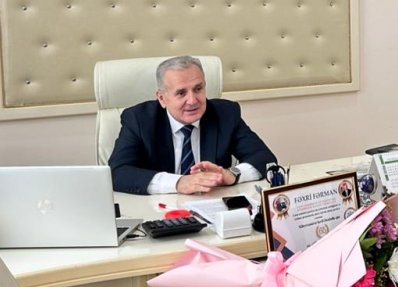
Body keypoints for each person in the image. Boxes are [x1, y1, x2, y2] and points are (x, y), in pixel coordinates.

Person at [109, 56, 276, 195]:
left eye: (198, 89)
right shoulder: (139, 119)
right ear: (162, 98)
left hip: (211, 207)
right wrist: (178, 182)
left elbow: (265, 159)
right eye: (181, 93)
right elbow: (118, 172)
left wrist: (232, 174)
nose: (192, 100)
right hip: (158, 210)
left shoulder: (225, 114)